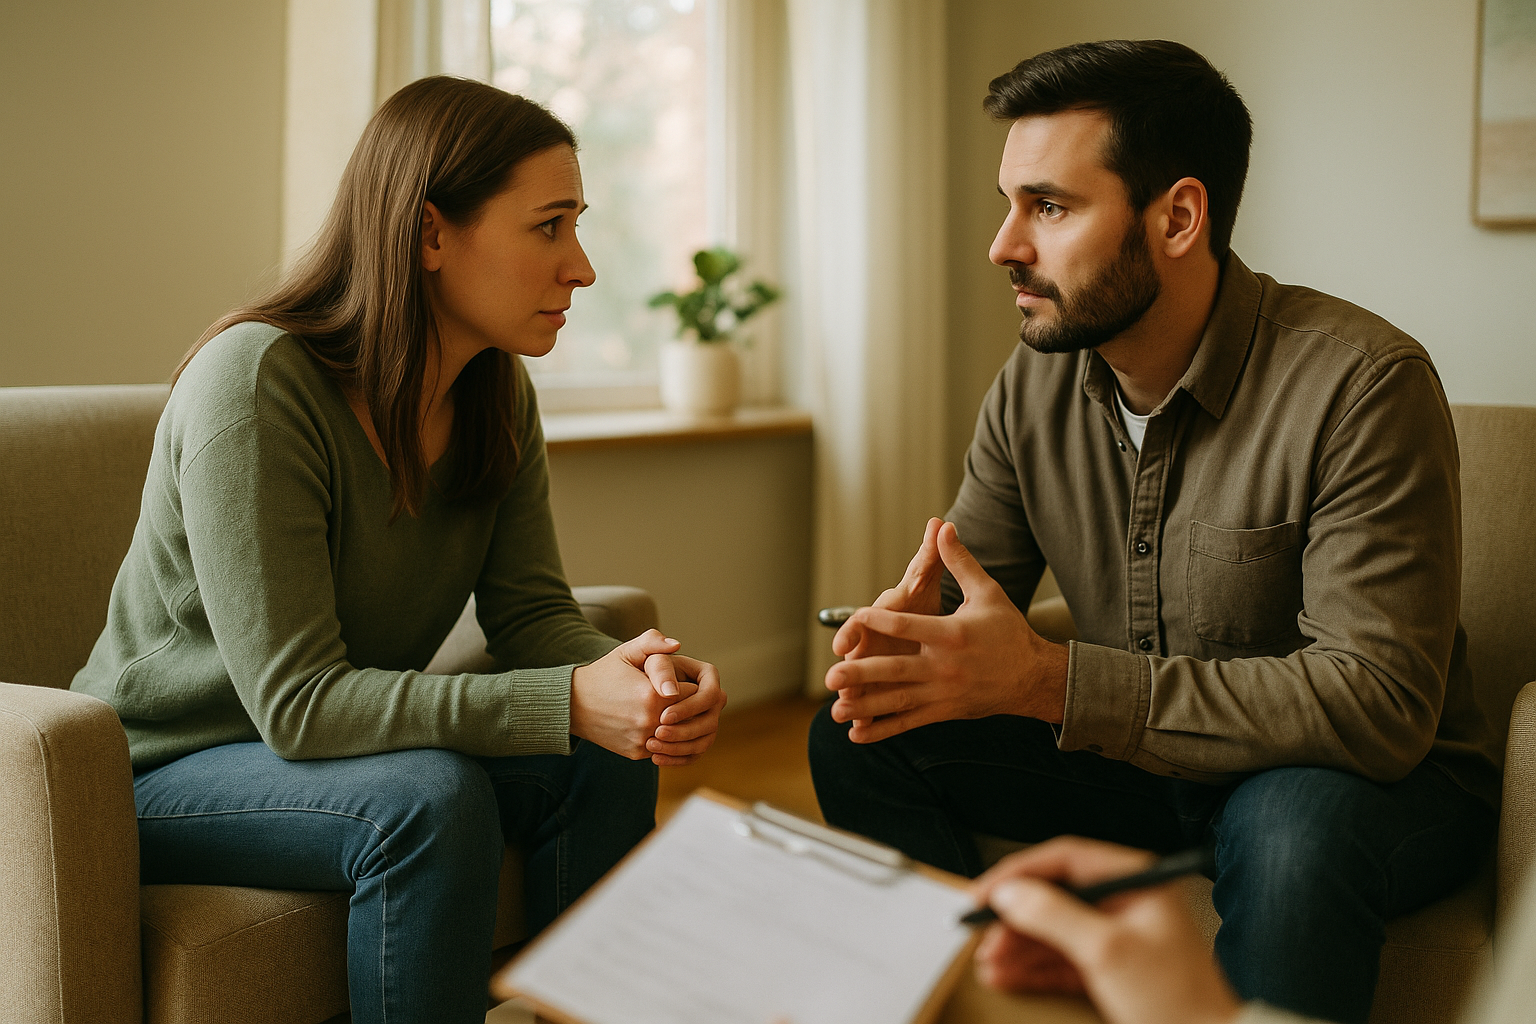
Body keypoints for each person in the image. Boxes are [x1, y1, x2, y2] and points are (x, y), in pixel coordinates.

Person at [807, 38, 1499, 1024]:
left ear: (1177, 216)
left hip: (1362, 783)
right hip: (1145, 768)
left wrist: (1050, 678)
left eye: (1047, 206)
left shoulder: (1362, 384)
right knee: (858, 735)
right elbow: (970, 604)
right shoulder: (1033, 382)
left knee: (1289, 829)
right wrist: (907, 642)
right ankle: (967, 992)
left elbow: (1378, 704)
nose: (1004, 244)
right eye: (1011, 203)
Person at [71, 76, 726, 1024]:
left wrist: (634, 680)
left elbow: (532, 613)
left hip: (321, 753)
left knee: (604, 754)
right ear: (428, 234)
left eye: (576, 226)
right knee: (432, 798)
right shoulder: (255, 386)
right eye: (549, 227)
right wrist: (567, 701)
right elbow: (298, 706)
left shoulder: (495, 393)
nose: (581, 267)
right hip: (159, 770)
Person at [969, 835, 1534, 1024]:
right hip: (1135, 758)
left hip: (1350, 759)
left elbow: (1374, 689)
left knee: (1294, 850)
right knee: (881, 741)